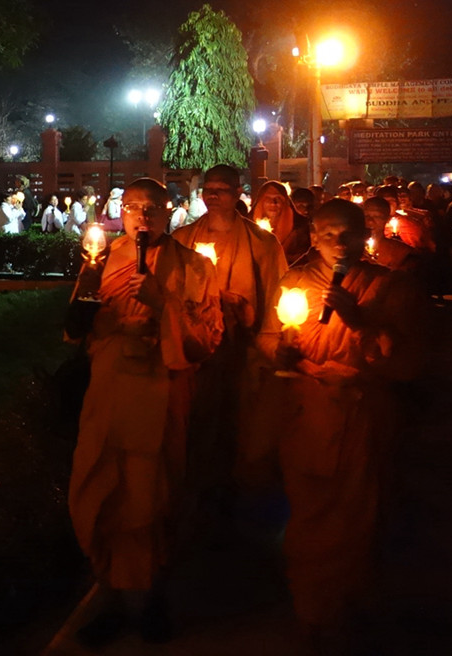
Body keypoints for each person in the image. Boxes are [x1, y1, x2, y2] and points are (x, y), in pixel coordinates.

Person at [66, 177, 223, 646]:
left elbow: (205, 340)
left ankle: (152, 600)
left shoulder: (194, 266)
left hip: (160, 390)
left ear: (169, 211)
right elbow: (77, 327)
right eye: (132, 206)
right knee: (102, 492)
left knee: (152, 500)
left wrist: (164, 306)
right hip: (110, 389)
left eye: (152, 207)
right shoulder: (104, 258)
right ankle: (110, 599)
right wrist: (91, 307)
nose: (141, 216)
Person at [260, 199, 424, 646]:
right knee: (310, 517)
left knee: (359, 518)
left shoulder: (389, 286)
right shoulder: (295, 280)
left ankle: (350, 606)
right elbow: (270, 335)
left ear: (362, 237)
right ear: (313, 237)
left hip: (361, 416)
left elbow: (407, 364)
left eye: (346, 233)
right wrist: (279, 352)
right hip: (308, 416)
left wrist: (360, 319)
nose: (338, 243)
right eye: (327, 234)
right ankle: (311, 609)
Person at [171, 165, 288, 501]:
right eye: (208, 189)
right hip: (195, 353)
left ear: (239, 193)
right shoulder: (182, 240)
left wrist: (266, 341)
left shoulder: (263, 244)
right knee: (196, 429)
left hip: (243, 353)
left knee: (239, 427)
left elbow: (276, 301)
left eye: (222, 189)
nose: (213, 196)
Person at [250, 180, 311, 266]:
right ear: (261, 202)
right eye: (268, 198)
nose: (273, 203)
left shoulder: (300, 228)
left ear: (285, 202)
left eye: (278, 199)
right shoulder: (247, 227)